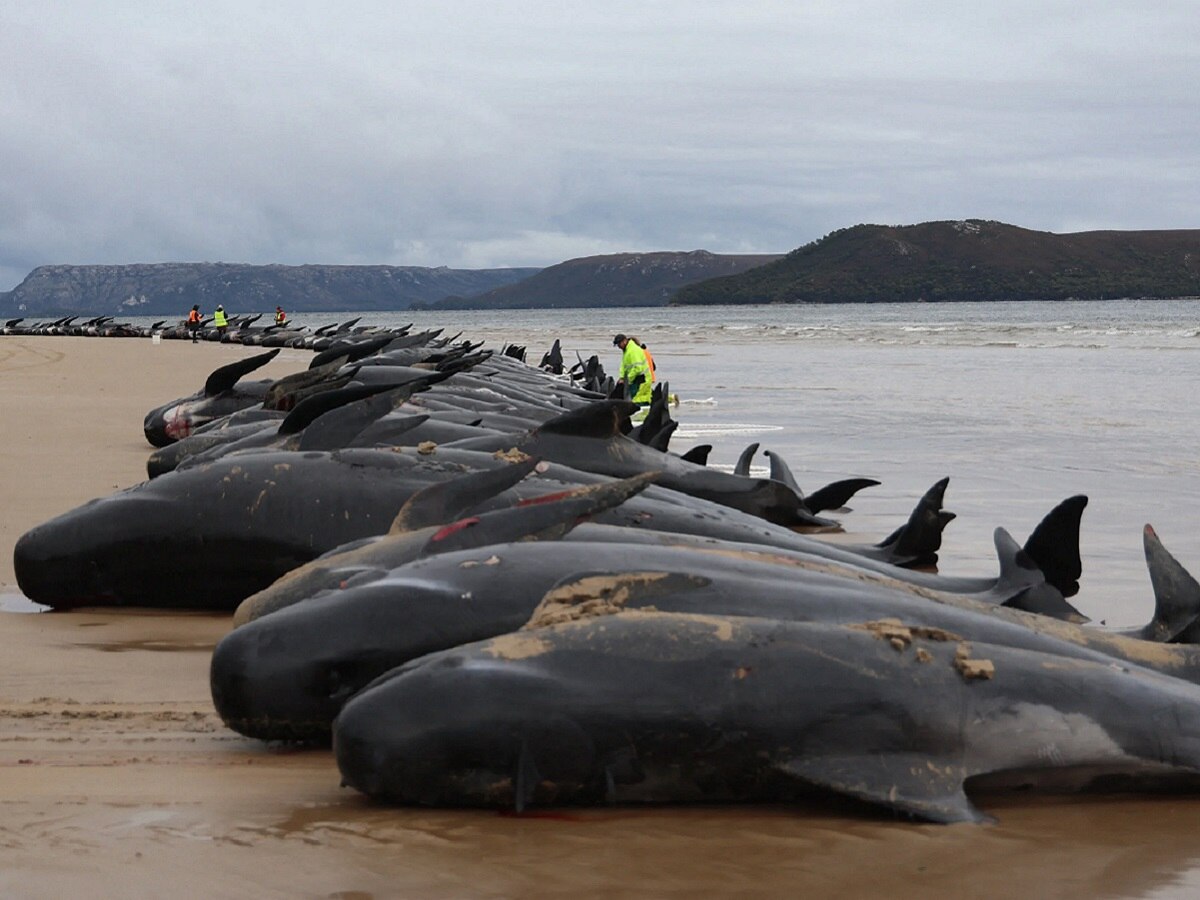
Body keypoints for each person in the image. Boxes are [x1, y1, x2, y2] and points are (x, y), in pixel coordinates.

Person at [612, 333, 653, 404]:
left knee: (639, 399)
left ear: (624, 341)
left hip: (642, 379)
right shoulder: (626, 351)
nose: (618, 346)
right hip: (634, 379)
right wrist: (622, 377)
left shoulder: (633, 351)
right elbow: (625, 366)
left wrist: (626, 379)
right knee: (642, 397)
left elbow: (638, 368)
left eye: (619, 344)